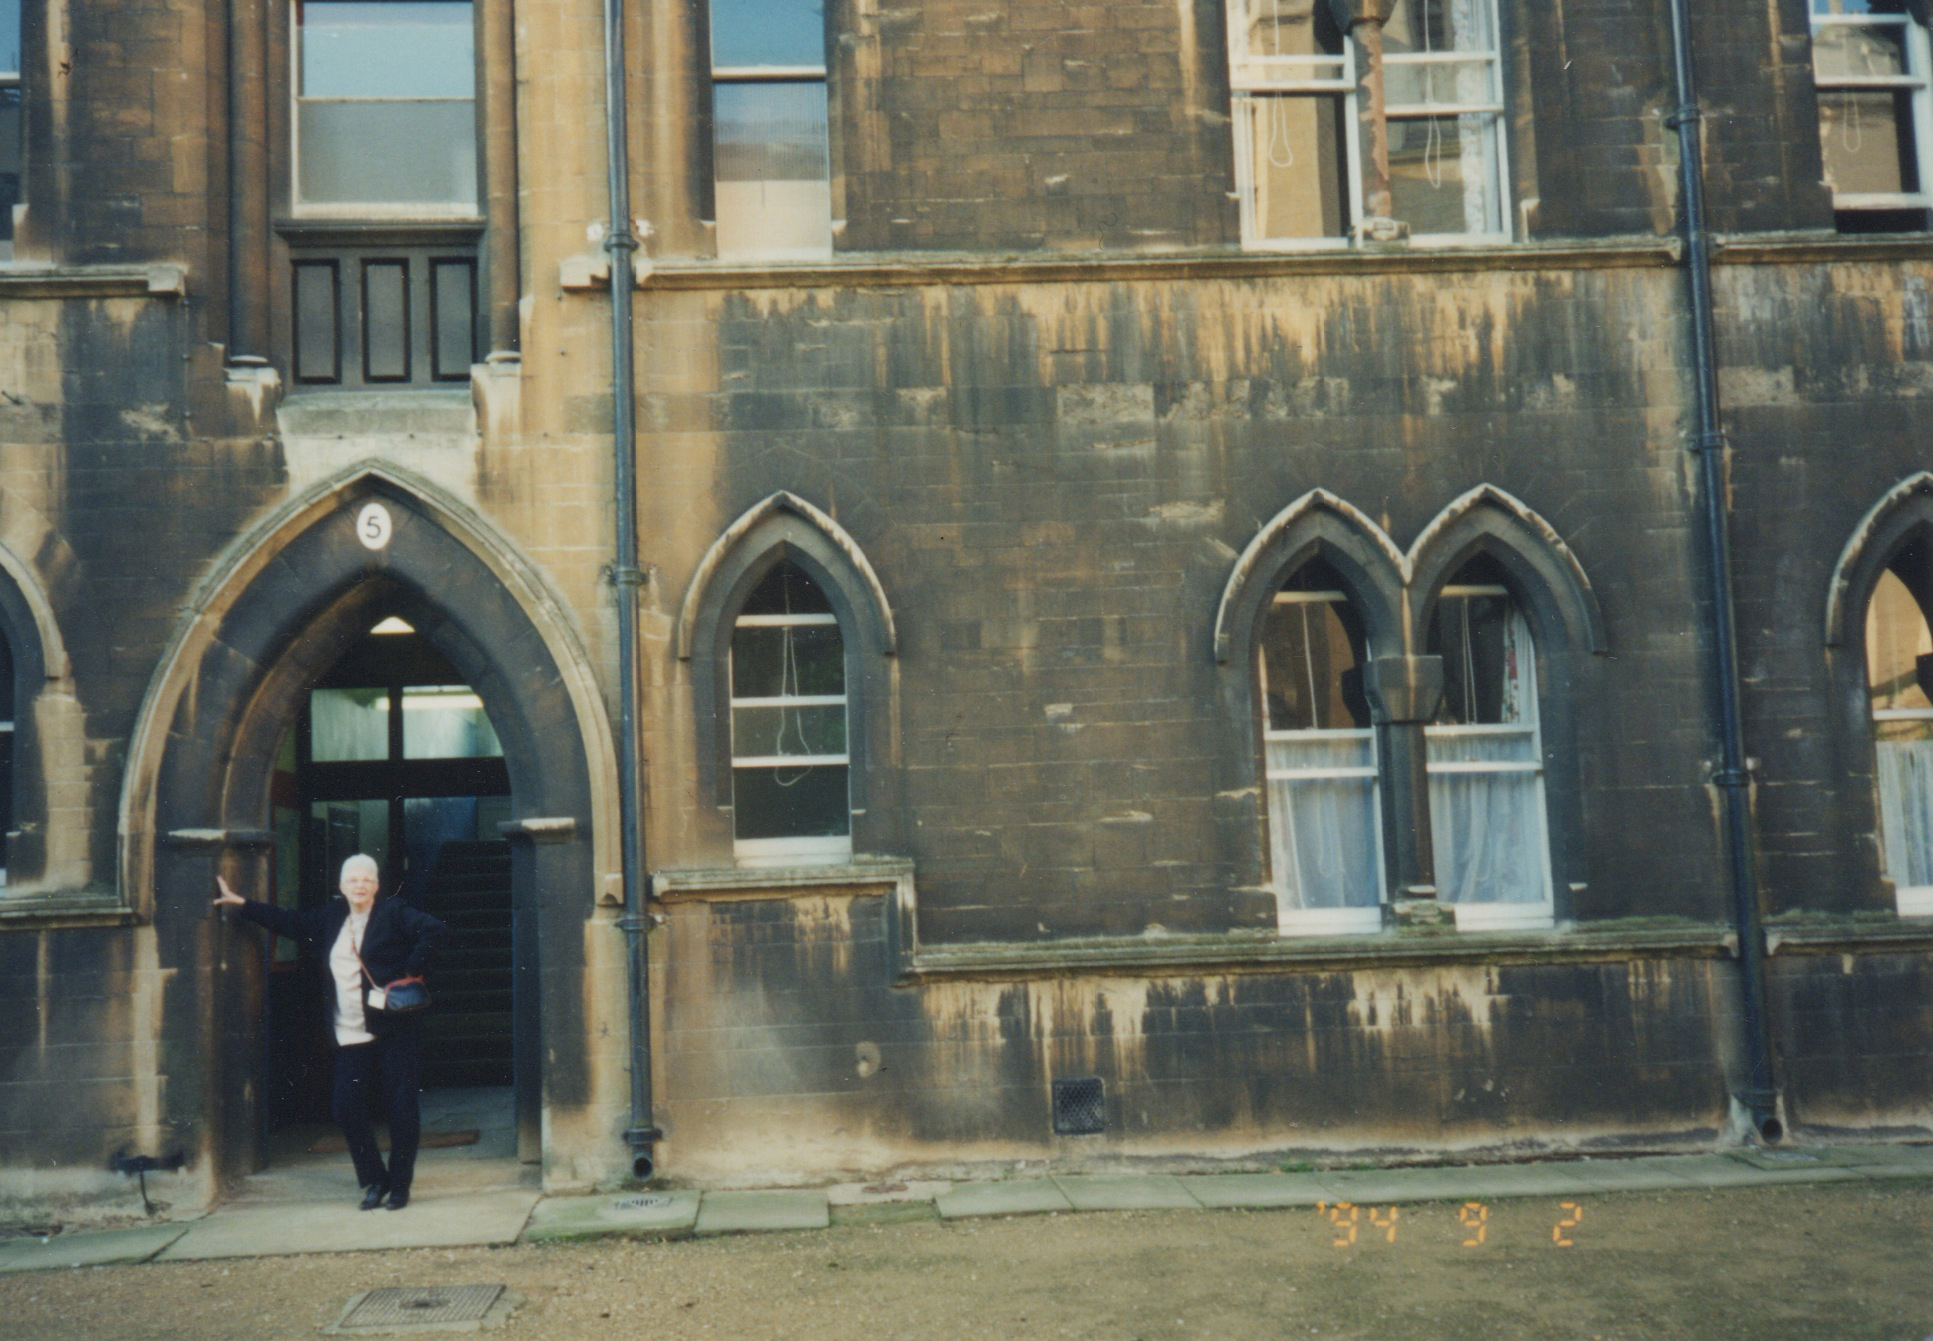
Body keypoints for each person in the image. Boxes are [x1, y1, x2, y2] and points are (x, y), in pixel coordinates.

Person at [214, 854, 447, 1211]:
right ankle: (375, 1178)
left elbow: (434, 929)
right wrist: (243, 905)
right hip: (350, 1031)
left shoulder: (393, 913)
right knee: (344, 1106)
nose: (359, 885)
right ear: (341, 887)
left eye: (366, 879)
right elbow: (288, 922)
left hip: (393, 1028)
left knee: (401, 1107)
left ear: (376, 885)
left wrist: (408, 971)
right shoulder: (330, 918)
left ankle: (399, 1185)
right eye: (352, 880)